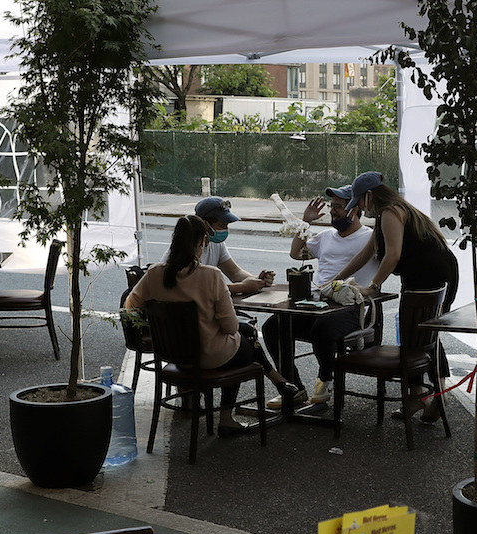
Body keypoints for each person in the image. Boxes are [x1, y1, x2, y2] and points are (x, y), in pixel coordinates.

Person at [123, 215, 301, 436]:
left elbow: (129, 305)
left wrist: (152, 326)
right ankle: (229, 416)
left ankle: (279, 380)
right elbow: (229, 327)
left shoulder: (154, 274)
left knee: (245, 336)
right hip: (209, 356)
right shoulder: (211, 276)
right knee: (243, 341)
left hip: (173, 355)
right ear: (202, 243)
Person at [332, 171, 459, 422]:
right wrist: (335, 279)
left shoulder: (390, 212)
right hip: (437, 271)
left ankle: (428, 395)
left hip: (428, 275)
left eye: (358, 201)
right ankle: (424, 395)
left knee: (419, 336)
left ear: (369, 196)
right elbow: (366, 254)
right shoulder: (391, 212)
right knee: (422, 336)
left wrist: (374, 286)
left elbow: (392, 255)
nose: (357, 207)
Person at [260, 184, 380, 408]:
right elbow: (296, 253)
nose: (333, 211)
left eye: (338, 207)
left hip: (352, 308)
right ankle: (293, 388)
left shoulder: (370, 238)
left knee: (322, 329)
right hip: (318, 304)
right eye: (331, 206)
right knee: (273, 327)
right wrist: (306, 222)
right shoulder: (326, 237)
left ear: (354, 210)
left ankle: (325, 380)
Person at [164, 197, 275, 295]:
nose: (225, 230)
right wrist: (242, 287)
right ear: (204, 224)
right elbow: (197, 287)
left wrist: (257, 280)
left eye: (226, 225)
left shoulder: (217, 244)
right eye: (221, 225)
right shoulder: (185, 246)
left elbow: (235, 273)